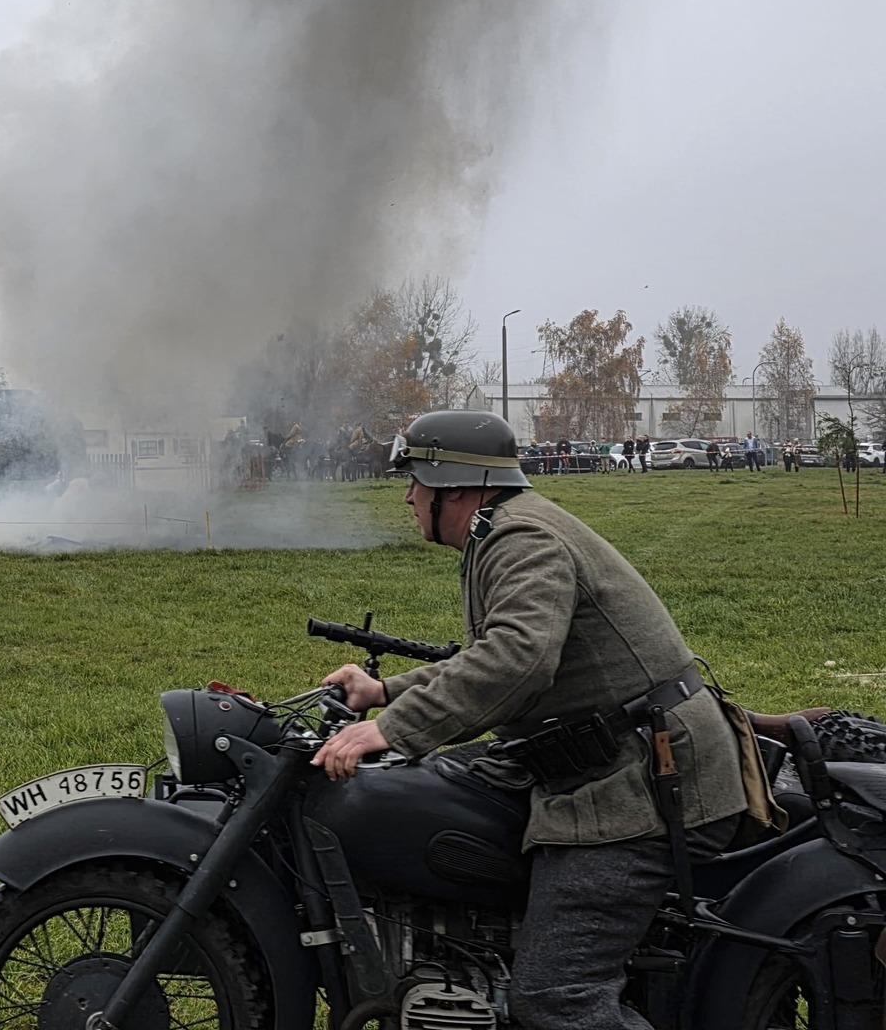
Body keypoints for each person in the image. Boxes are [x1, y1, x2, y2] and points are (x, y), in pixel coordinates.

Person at [317, 410, 747, 1030]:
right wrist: (383, 691)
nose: (408, 497)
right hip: (603, 760)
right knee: (433, 787)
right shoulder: (504, 527)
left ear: (455, 489)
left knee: (557, 998)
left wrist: (392, 728)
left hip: (636, 789)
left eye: (416, 481)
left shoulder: (522, 538)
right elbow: (493, 654)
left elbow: (518, 660)